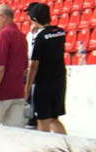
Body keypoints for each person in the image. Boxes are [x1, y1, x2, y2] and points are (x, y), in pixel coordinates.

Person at [25, 2, 68, 134]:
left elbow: (33, 65)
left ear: (35, 19)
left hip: (43, 84)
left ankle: (43, 149)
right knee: (54, 119)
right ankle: (67, 147)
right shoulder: (60, 32)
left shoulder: (39, 37)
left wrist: (26, 89)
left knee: (43, 120)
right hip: (59, 80)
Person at [0, 5, 28, 127]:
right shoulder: (22, 36)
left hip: (2, 94)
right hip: (17, 93)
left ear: (2, 17)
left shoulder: (4, 34)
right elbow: (24, 69)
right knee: (14, 134)